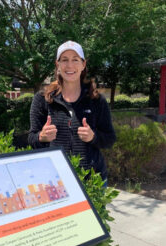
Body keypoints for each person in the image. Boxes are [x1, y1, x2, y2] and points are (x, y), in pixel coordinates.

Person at [28, 40, 116, 182]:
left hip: (92, 182)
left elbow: (110, 139)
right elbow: (31, 138)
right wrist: (41, 137)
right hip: (55, 180)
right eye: (64, 60)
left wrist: (93, 137)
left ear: (83, 64)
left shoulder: (96, 100)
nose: (70, 65)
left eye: (75, 60)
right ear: (57, 65)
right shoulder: (42, 99)